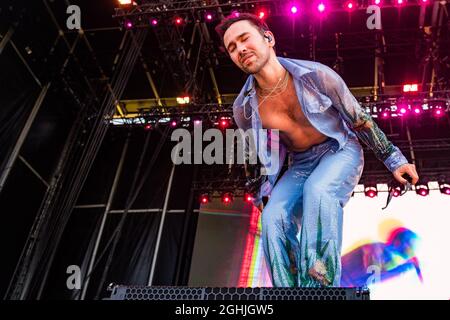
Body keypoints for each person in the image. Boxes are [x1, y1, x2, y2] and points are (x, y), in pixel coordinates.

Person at [215, 13, 419, 287]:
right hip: (300, 164)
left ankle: (320, 290)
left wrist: (394, 160)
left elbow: (359, 120)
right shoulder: (244, 109)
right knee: (274, 215)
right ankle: (287, 293)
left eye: (244, 39)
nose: (240, 49)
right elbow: (261, 159)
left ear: (268, 38)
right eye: (232, 48)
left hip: (339, 149)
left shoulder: (318, 76)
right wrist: (265, 195)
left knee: (319, 192)